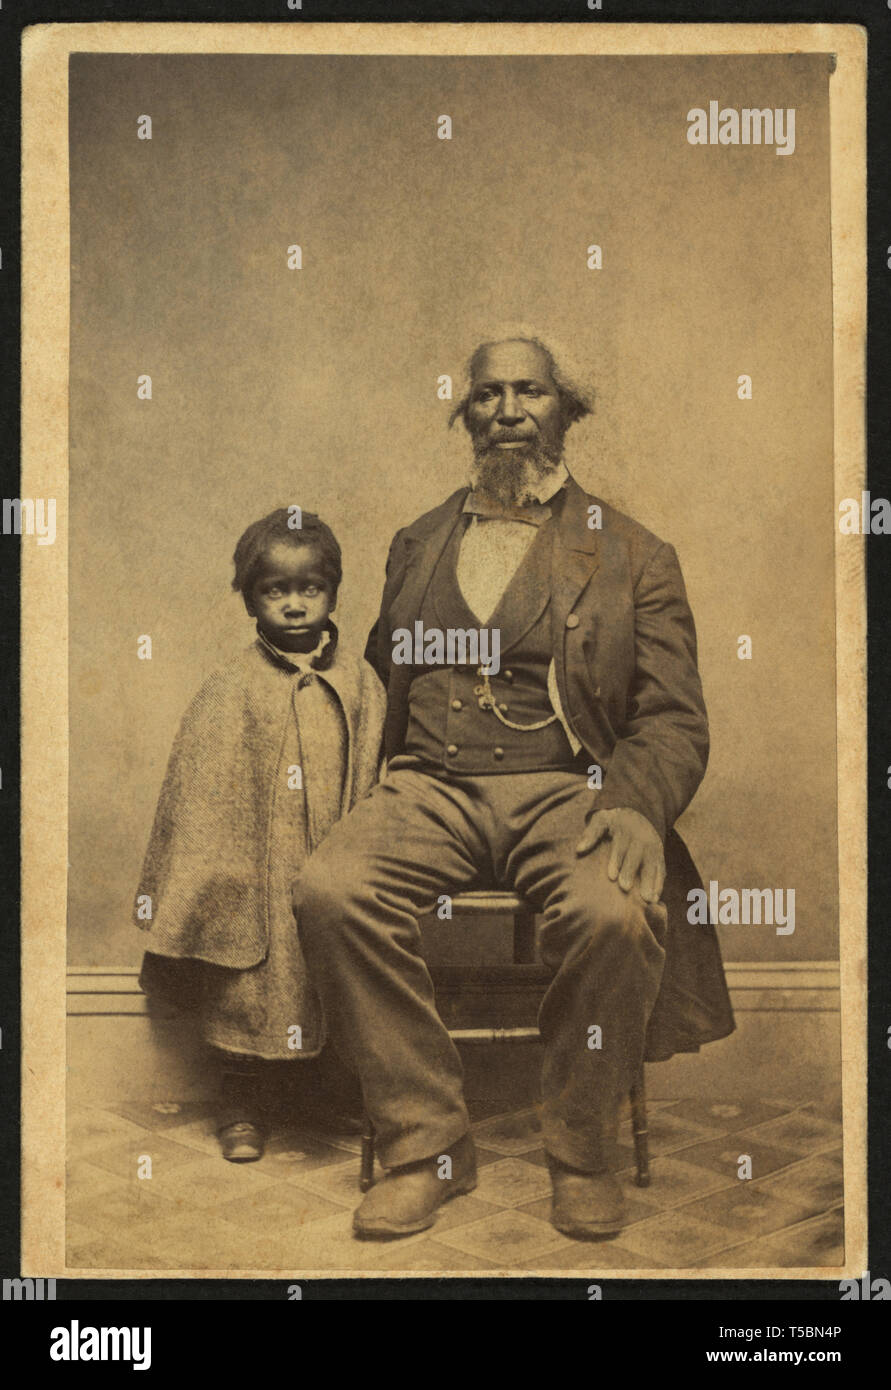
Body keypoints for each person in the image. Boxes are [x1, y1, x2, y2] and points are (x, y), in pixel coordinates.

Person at [292, 332, 734, 1240]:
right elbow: (384, 672)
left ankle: (580, 1149)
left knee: (616, 914)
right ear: (465, 414)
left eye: (529, 392)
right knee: (329, 891)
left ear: (565, 410)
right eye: (488, 395)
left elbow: (674, 717)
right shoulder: (417, 542)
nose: (506, 411)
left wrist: (634, 804)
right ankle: (427, 1148)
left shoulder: (634, 553)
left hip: (569, 789)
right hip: (429, 785)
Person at [135, 508, 386, 1162]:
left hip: (329, 862)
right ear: (250, 599)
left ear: (333, 592)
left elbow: (373, 770)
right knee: (249, 987)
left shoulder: (358, 681)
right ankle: (242, 1101)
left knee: (328, 975)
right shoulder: (231, 686)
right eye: (276, 591)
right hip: (253, 870)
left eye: (311, 589)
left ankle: (326, 1091)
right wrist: (216, 873)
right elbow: (197, 793)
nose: (296, 605)